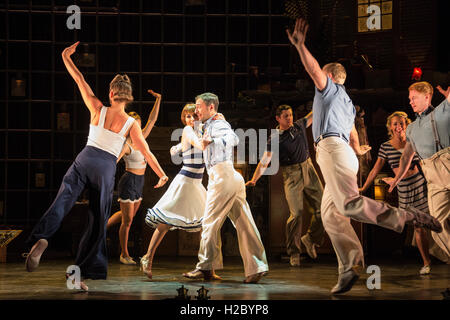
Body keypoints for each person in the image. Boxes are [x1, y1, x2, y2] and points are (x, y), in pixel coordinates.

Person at [286, 19, 442, 294]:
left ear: (330, 77)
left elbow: (313, 70)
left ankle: (405, 217)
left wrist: (301, 46)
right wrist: (356, 150)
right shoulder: (346, 102)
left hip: (333, 151)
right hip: (342, 151)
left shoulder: (329, 90)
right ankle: (350, 267)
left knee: (347, 205)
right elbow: (353, 135)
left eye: (323, 77)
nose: (318, 81)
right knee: (332, 215)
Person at [23, 42, 169, 291]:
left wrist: (65, 56)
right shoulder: (131, 125)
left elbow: (79, 78)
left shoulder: (97, 107)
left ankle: (41, 238)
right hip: (105, 169)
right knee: (96, 222)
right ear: (128, 97)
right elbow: (147, 152)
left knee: (62, 201)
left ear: (111, 94)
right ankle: (78, 276)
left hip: (84, 159)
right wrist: (162, 174)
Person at [183, 92, 269, 283]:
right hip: (229, 177)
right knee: (244, 222)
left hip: (222, 177)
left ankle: (204, 266)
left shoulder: (219, 124)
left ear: (211, 107)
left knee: (209, 222)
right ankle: (257, 266)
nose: (196, 110)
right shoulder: (211, 123)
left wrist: (213, 141)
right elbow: (201, 136)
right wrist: (201, 127)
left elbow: (233, 138)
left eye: (198, 106)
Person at [140, 103, 222, 279]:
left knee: (205, 226)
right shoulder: (188, 131)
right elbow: (200, 145)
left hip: (197, 184)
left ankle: (208, 267)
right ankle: (148, 258)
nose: (191, 119)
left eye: (194, 115)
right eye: (188, 116)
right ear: (184, 119)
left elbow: (194, 145)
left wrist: (178, 147)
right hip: (185, 183)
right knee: (165, 223)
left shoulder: (199, 131)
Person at [360, 111, 447, 274]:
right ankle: (426, 263)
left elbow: (427, 160)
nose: (399, 126)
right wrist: (364, 188)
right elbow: (374, 170)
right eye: (395, 124)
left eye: (401, 123)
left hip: (421, 186)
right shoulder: (385, 146)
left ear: (406, 125)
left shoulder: (413, 141)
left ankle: (444, 254)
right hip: (404, 190)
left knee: (437, 221)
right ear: (390, 127)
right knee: (418, 227)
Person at [246, 105, 325, 266]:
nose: (289, 118)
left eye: (290, 115)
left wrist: (325, 93)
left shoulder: (299, 125)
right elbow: (264, 161)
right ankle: (294, 252)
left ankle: (310, 239)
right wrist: (254, 179)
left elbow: (314, 112)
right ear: (278, 119)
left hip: (308, 168)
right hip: (291, 175)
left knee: (323, 208)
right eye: (285, 116)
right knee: (296, 213)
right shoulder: (275, 138)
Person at [384, 82, 450, 263]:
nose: (410, 102)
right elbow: (406, 158)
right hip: (431, 175)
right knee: (437, 227)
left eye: (414, 98)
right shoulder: (411, 128)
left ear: (427, 97)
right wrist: (396, 179)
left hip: (447, 164)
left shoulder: (442, 111)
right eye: (409, 99)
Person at [106, 90, 162, 265]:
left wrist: (158, 99)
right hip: (129, 181)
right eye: (134, 125)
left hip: (139, 182)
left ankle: (102, 227)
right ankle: (124, 254)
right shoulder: (127, 144)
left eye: (139, 125)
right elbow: (114, 160)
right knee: (128, 221)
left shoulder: (141, 139)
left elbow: (152, 120)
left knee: (126, 218)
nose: (137, 128)